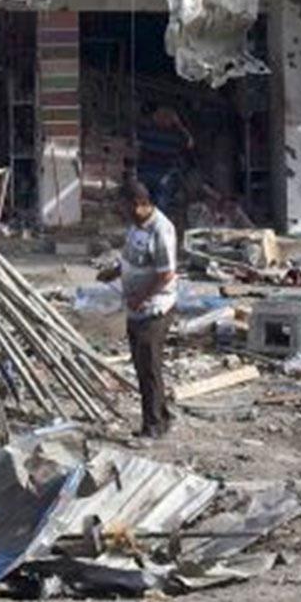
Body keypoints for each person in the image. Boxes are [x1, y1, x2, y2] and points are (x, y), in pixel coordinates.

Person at [100, 179, 178, 438]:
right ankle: (161, 417)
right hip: (136, 308)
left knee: (149, 369)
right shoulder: (136, 228)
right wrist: (114, 273)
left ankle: (153, 427)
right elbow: (133, 259)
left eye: (125, 208)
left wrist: (141, 297)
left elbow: (166, 274)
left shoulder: (161, 229)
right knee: (143, 368)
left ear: (140, 204)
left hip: (154, 309)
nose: (123, 214)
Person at [135, 103, 195, 244]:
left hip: (165, 174)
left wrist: (179, 126)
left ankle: (155, 230)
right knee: (143, 198)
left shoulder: (176, 135)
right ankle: (144, 231)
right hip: (146, 172)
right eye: (162, 117)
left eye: (168, 118)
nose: (164, 121)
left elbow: (190, 143)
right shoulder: (147, 132)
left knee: (161, 198)